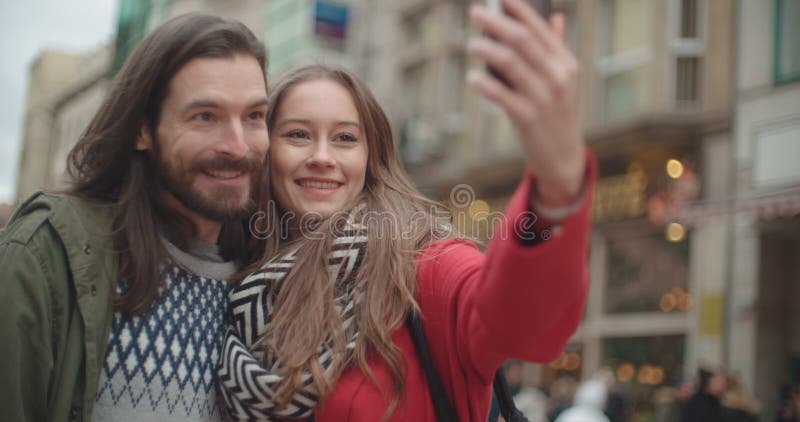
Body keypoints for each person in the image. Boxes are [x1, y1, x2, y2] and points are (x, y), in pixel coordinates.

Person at [218, 0, 594, 419]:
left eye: (344, 139)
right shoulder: (229, 269)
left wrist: (556, 188)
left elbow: (521, 323)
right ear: (267, 152)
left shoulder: (421, 264)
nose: (322, 156)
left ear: (371, 156)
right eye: (298, 134)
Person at [0, 14, 269, 421]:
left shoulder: (264, 275)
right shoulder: (49, 254)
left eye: (254, 116)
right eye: (205, 117)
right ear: (142, 129)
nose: (238, 145)